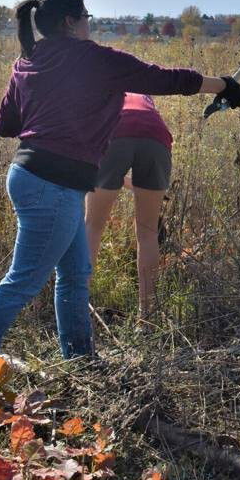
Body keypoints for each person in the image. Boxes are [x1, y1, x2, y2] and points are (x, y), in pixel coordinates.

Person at [0, 0, 240, 379]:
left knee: (75, 275)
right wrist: (223, 85)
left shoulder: (27, 62)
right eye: (87, 16)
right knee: (22, 282)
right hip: (51, 185)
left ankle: (82, 362)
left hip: (34, 177)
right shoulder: (93, 58)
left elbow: (5, 126)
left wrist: (52, 105)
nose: (90, 23)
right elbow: (159, 79)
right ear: (70, 22)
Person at [85, 93, 174, 322]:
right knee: (147, 233)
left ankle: (77, 310)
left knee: (92, 228)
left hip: (114, 133)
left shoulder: (97, 86)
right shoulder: (143, 93)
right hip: (157, 138)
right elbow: (137, 136)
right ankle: (148, 318)